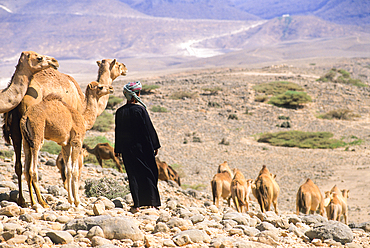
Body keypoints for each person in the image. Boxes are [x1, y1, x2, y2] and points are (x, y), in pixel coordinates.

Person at [114, 81, 161, 213]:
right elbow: (149, 129)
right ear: (136, 94)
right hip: (143, 148)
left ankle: (137, 204)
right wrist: (155, 145)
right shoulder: (140, 110)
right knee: (149, 173)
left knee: (133, 175)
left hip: (127, 150)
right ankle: (152, 203)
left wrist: (118, 149)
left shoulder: (119, 112)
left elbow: (118, 131)